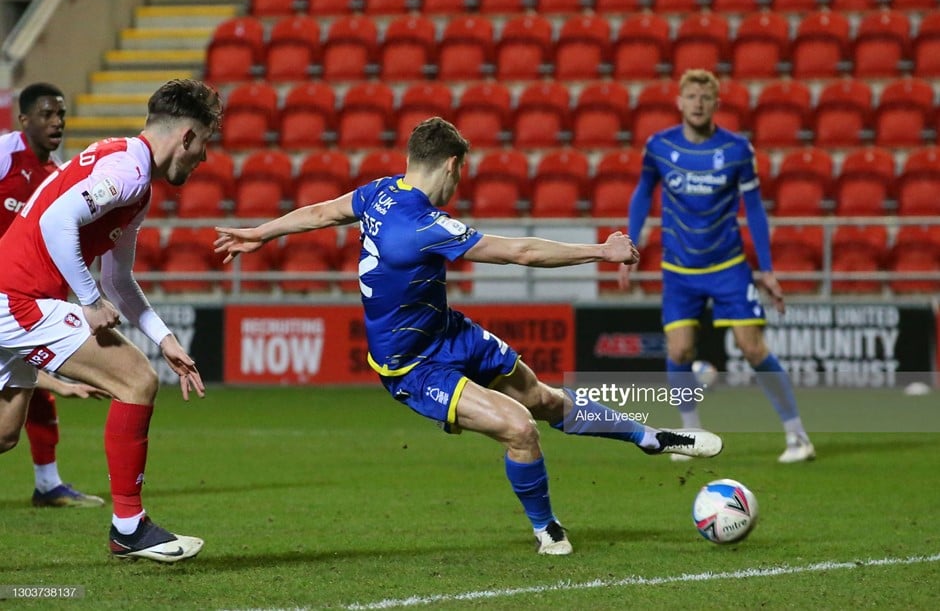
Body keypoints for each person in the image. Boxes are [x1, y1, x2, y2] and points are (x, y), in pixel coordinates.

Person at [215, 117, 723, 556]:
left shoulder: (378, 193)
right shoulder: (425, 224)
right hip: (413, 367)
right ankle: (546, 529)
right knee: (521, 429)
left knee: (544, 399)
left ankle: (651, 438)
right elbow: (520, 252)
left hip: (449, 332)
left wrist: (261, 232)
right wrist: (601, 251)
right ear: (454, 164)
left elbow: (322, 212)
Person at [0, 78, 220, 562]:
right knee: (137, 381)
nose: (204, 158)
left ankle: (128, 527)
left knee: (4, 432)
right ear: (186, 137)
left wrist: (165, 340)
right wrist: (88, 300)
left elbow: (119, 279)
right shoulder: (128, 172)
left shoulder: (129, 173)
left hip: (12, 295)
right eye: (204, 144)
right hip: (19, 298)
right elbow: (59, 222)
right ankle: (128, 526)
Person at [619, 69, 815, 463]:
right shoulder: (658, 147)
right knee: (680, 348)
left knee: (753, 347)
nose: (697, 103)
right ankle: (690, 435)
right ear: (679, 101)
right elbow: (643, 194)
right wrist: (629, 243)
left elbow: (755, 209)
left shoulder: (737, 150)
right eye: (691, 96)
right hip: (679, 269)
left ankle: (798, 436)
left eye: (705, 97)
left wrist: (768, 269)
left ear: (716, 104)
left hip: (728, 266)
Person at [0, 82, 111, 508]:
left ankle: (48, 483)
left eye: (61, 115)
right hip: (6, 294)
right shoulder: (7, 155)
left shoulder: (56, 176)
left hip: (22, 296)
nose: (56, 122)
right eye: (47, 114)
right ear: (24, 119)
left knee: (24, 404)